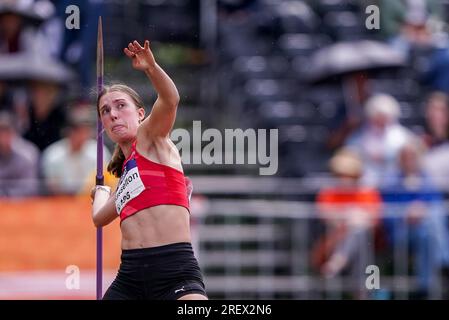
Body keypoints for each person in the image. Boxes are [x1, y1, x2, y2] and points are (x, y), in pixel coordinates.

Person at [91, 40, 207, 300]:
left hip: (173, 270)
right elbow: (99, 218)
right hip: (130, 277)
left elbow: (170, 99)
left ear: (141, 114)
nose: (113, 114)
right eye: (105, 111)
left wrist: (151, 68)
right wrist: (101, 190)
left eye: (121, 106)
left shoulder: (150, 137)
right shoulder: (125, 180)